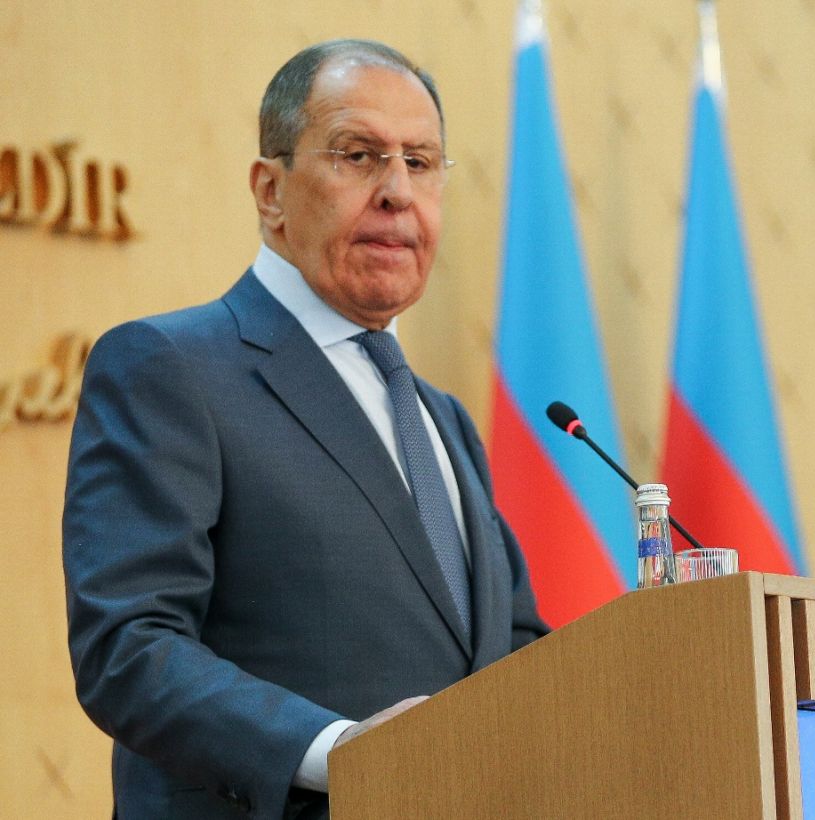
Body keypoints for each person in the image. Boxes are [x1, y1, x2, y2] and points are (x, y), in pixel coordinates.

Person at [62, 39, 548, 820]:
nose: (397, 193)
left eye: (421, 162)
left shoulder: (446, 421)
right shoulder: (168, 367)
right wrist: (341, 752)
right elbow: (129, 647)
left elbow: (515, 655)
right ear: (270, 190)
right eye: (359, 155)